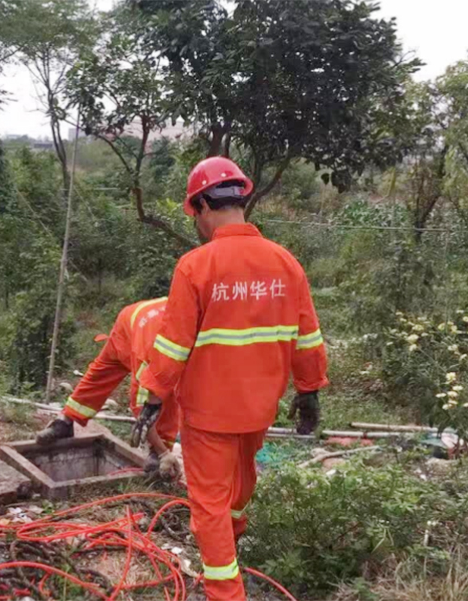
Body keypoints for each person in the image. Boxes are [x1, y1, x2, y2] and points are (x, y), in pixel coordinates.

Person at [134, 156, 329, 601]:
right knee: (240, 485)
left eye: (195, 213)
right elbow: (308, 338)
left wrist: (153, 398)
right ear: (240, 199)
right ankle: (234, 542)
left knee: (209, 506)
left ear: (204, 205)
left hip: (209, 413)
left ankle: (225, 589)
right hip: (258, 409)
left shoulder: (195, 266)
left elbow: (172, 345)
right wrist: (310, 392)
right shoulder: (286, 263)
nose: (197, 223)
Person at [35, 298, 182, 478]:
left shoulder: (187, 334)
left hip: (139, 321)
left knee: (164, 390)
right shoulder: (148, 358)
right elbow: (142, 411)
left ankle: (158, 452)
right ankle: (65, 421)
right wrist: (163, 452)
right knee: (104, 375)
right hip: (129, 328)